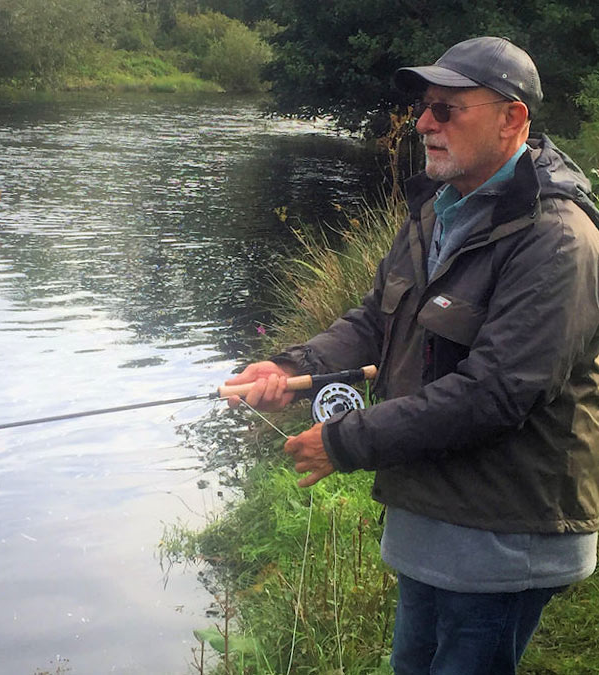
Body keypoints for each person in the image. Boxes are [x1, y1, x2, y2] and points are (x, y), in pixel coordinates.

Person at [226, 36, 599, 675]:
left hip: (507, 528)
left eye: (448, 109)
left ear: (513, 118)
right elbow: (377, 318)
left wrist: (344, 441)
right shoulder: (436, 206)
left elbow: (496, 393)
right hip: (431, 513)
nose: (425, 123)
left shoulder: (557, 241)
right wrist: (289, 366)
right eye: (426, 107)